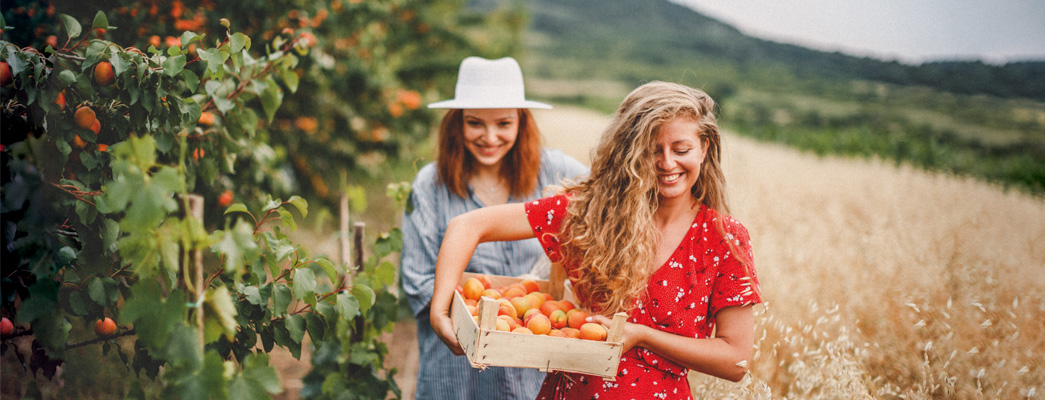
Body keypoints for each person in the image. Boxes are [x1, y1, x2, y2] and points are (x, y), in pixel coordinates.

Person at [428, 81, 762, 399]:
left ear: (704, 148)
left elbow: (735, 360)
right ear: (629, 153)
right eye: (651, 150)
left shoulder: (723, 238)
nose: (667, 163)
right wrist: (439, 312)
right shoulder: (592, 213)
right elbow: (466, 225)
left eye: (681, 149)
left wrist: (642, 336)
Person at [399, 56, 588, 400]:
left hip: (535, 368)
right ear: (457, 123)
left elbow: (609, 203)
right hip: (458, 372)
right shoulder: (430, 186)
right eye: (475, 123)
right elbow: (417, 282)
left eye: (503, 123)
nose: (489, 137)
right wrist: (480, 313)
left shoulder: (554, 171)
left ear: (521, 121)